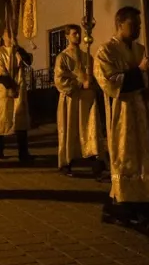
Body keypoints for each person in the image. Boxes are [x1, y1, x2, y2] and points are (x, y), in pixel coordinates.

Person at [94, 6, 149, 239]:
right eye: (133, 24)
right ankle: (125, 208)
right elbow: (110, 82)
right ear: (120, 24)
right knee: (124, 162)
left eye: (139, 24)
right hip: (122, 117)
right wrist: (138, 72)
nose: (137, 28)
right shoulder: (105, 52)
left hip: (142, 116)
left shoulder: (141, 50)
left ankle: (142, 208)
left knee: (144, 162)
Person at [54, 24, 108, 179]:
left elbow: (96, 75)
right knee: (70, 130)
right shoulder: (62, 57)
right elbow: (59, 80)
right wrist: (78, 84)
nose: (77, 36)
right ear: (67, 36)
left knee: (90, 130)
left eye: (78, 33)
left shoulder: (87, 56)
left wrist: (93, 83)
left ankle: (96, 165)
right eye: (73, 34)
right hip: (71, 100)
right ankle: (66, 163)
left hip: (87, 100)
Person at [0, 28, 33, 161]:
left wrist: (19, 49)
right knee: (3, 118)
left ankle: (23, 153)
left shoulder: (18, 50)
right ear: (3, 36)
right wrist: (10, 86)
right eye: (9, 34)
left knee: (20, 119)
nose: (11, 37)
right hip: (5, 89)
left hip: (19, 88)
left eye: (13, 34)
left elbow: (28, 61)